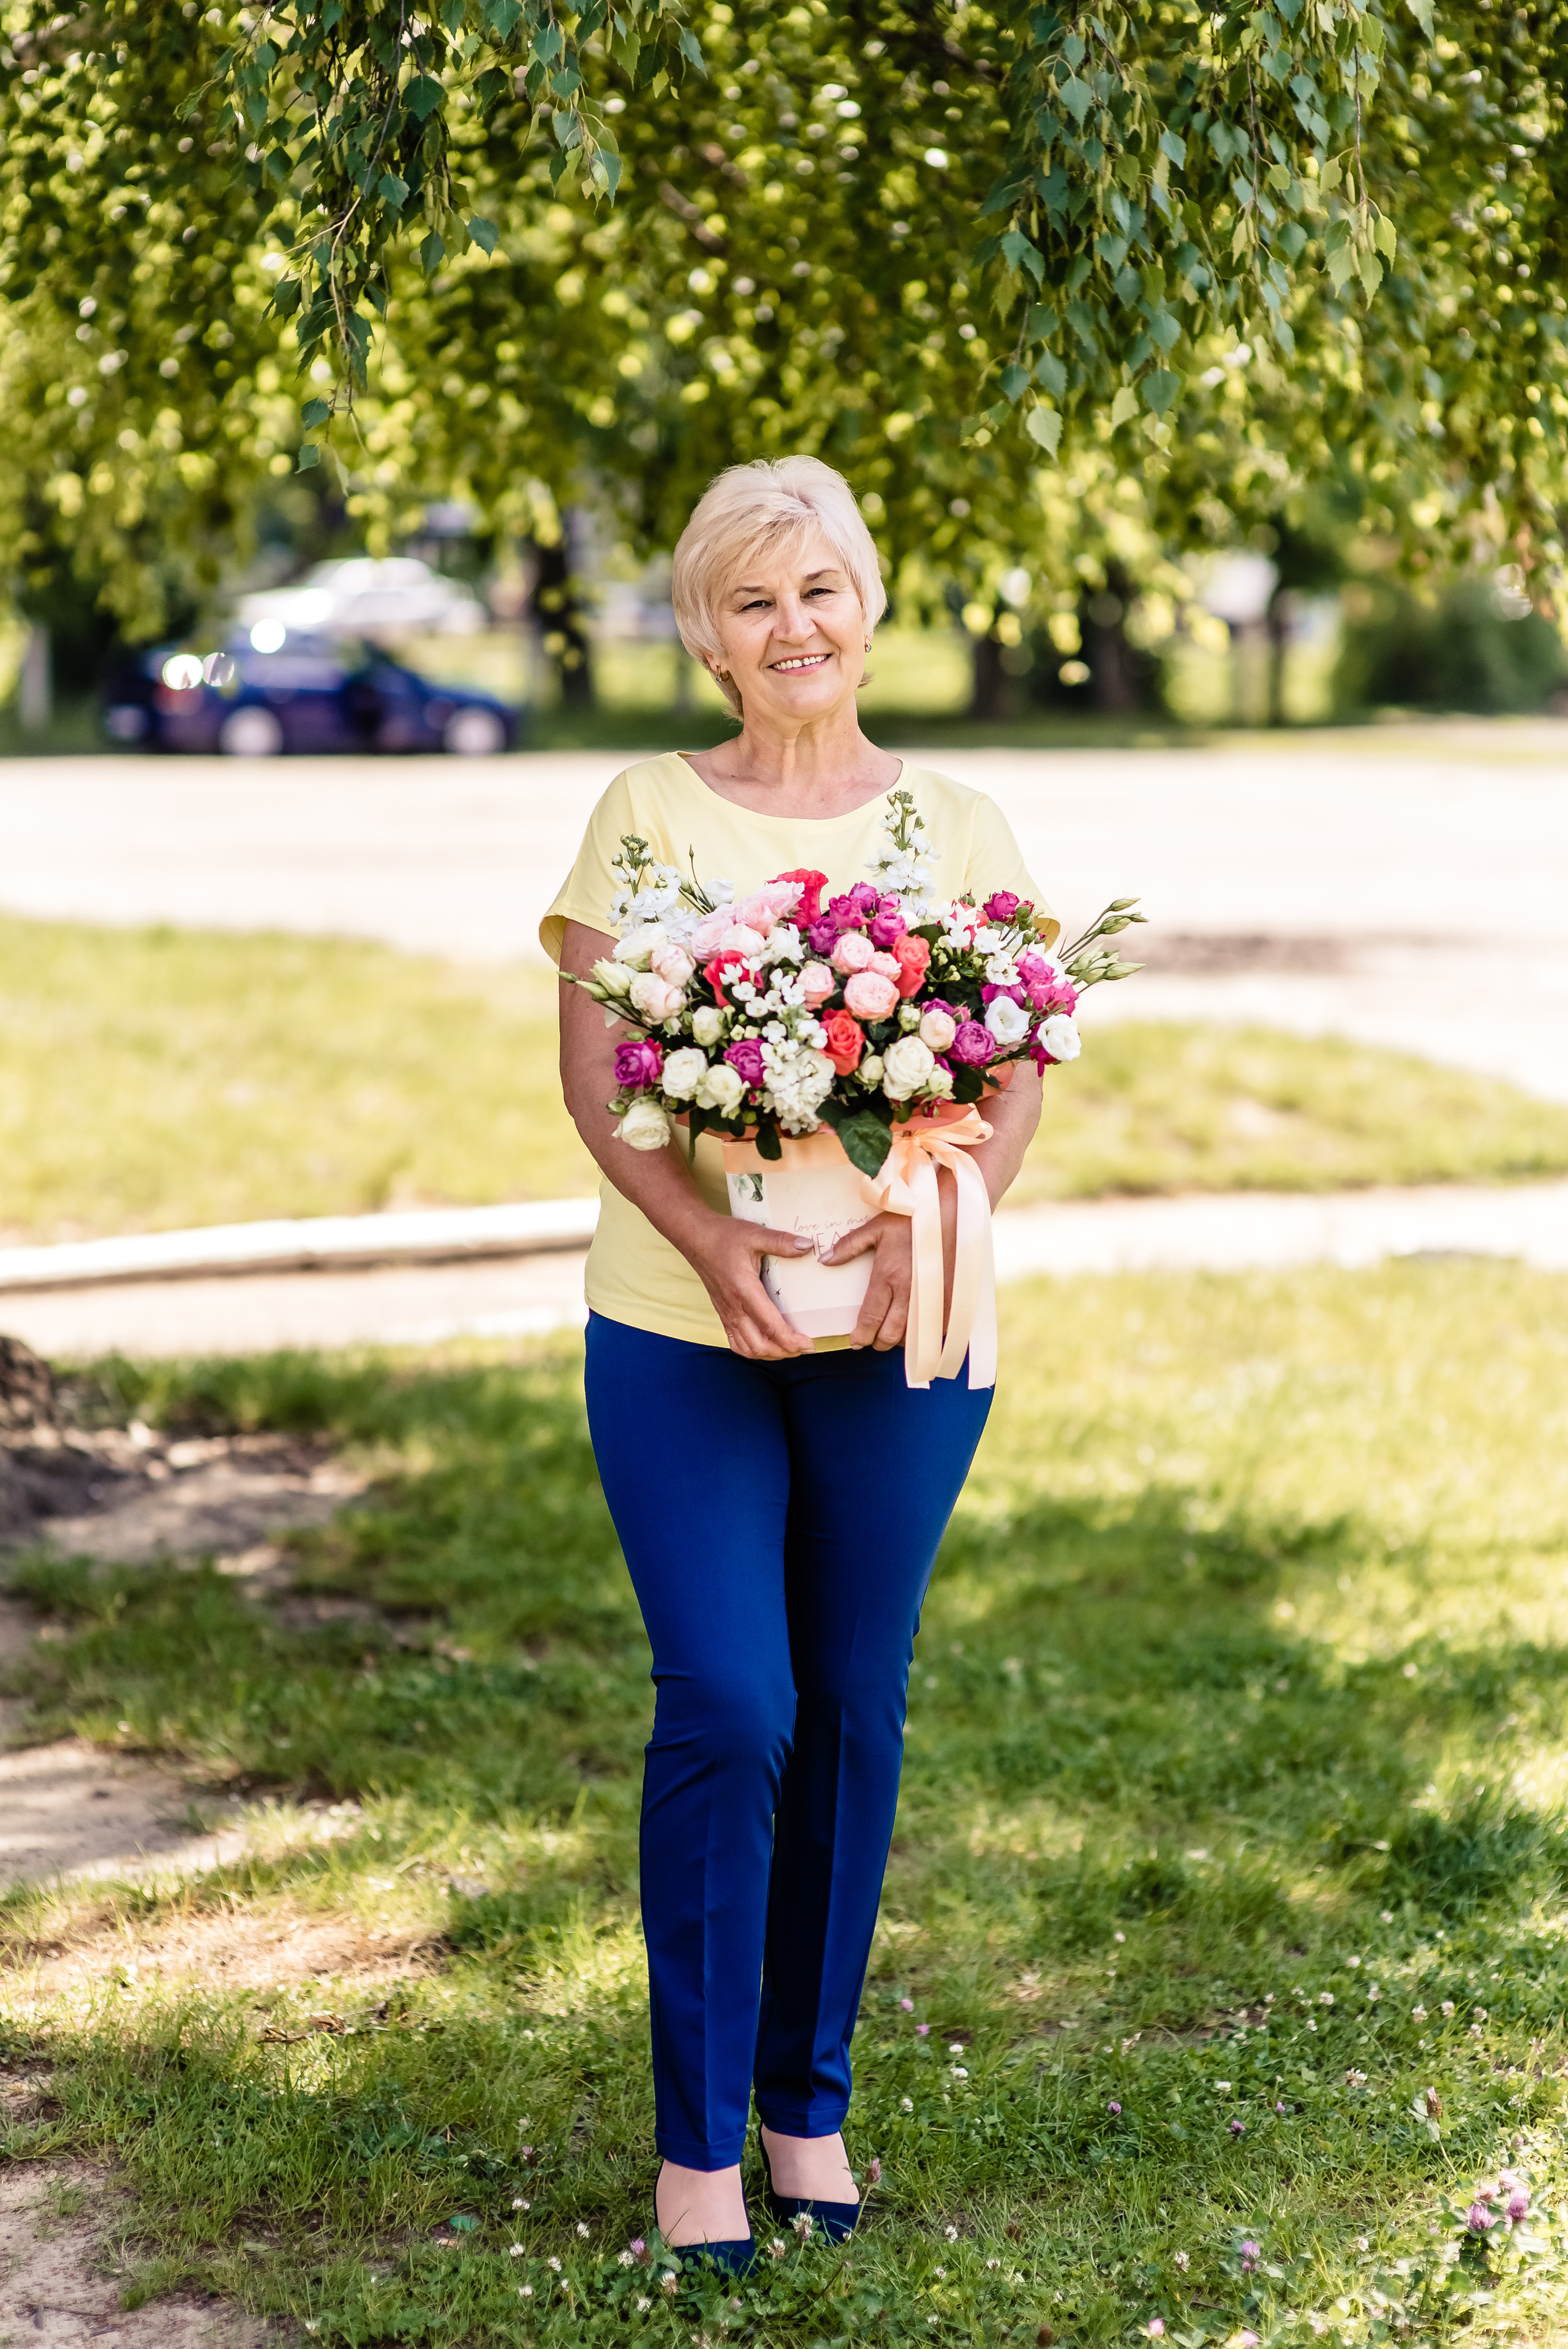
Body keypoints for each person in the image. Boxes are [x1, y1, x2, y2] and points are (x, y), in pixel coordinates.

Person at [543, 456, 1053, 2269]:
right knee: (733, 1704)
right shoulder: (645, 813)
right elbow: (607, 1083)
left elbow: (1016, 1069)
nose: (795, 628)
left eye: (820, 589)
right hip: (683, 1330)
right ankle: (695, 2151)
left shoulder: (962, 826)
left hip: (904, 1332)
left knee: (848, 1701)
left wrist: (943, 1211)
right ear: (706, 631)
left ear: (870, 604)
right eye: (754, 601)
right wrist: (710, 1243)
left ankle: (805, 2110)